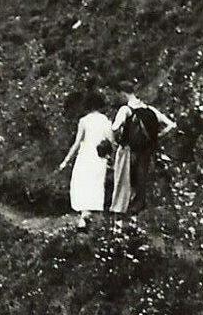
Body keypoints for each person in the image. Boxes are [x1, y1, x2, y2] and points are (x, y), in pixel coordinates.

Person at [110, 90, 176, 214]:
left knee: (124, 177)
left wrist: (114, 141)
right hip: (146, 148)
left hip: (129, 149)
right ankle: (139, 203)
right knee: (141, 175)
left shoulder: (125, 109)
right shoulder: (150, 109)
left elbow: (114, 128)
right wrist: (159, 136)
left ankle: (121, 207)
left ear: (124, 94)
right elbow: (171, 125)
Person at [57, 95, 115, 228]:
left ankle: (84, 214)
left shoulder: (84, 121)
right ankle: (89, 215)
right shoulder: (105, 120)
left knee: (82, 183)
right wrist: (111, 157)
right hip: (99, 156)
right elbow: (111, 141)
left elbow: (77, 143)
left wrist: (66, 161)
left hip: (85, 155)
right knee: (96, 184)